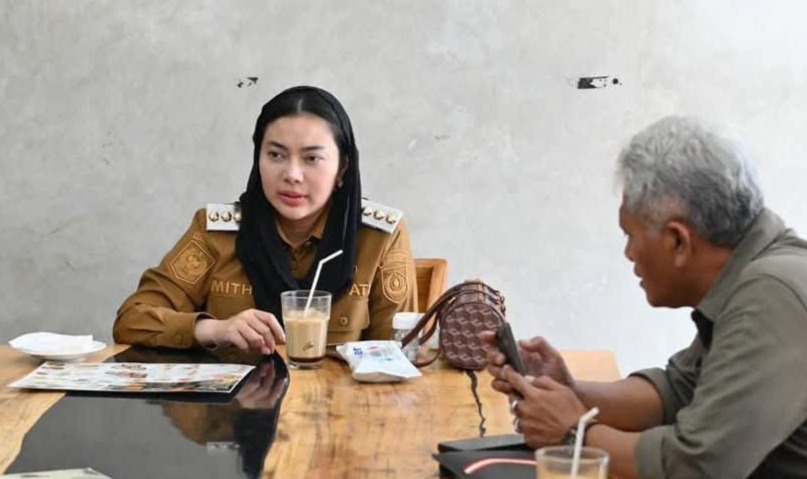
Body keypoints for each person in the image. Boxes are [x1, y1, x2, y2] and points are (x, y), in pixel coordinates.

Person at [483, 116, 807, 478]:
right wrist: (569, 392)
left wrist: (573, 434)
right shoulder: (753, 274)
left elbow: (697, 467)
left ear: (678, 241)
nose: (628, 254)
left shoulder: (772, 295)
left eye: (631, 236)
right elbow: (679, 391)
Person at [114, 86, 418, 354]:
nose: (292, 175)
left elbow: (400, 353)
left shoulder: (378, 238)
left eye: (312, 158)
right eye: (276, 155)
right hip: (236, 402)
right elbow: (133, 319)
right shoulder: (216, 233)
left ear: (342, 169)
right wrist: (213, 329)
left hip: (337, 401)